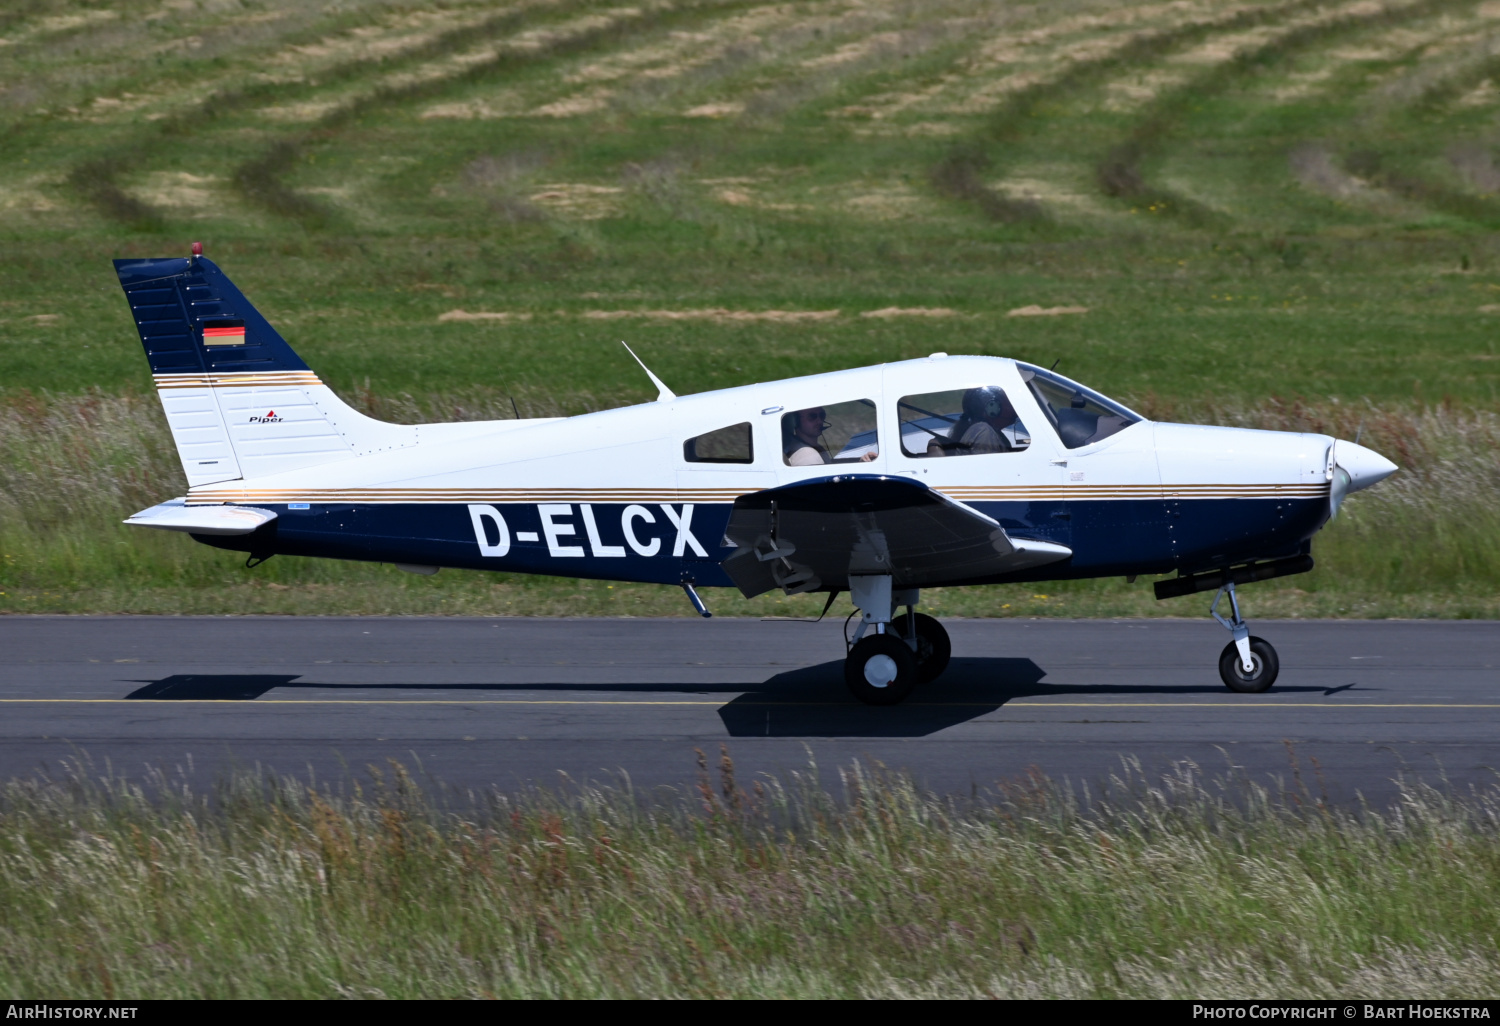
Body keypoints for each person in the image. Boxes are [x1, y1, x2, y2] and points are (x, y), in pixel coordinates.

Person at [930, 387, 1018, 456]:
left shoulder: (994, 434)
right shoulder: (983, 431)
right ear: (992, 407)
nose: (1014, 407)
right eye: (1009, 402)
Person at [783, 406, 877, 465]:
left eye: (822, 415)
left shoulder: (809, 447)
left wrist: (860, 461)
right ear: (795, 421)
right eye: (812, 416)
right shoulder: (807, 454)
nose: (819, 421)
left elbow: (830, 464)